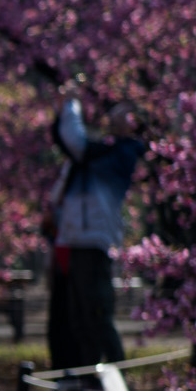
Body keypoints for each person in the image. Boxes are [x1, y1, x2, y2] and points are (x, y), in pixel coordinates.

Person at [44, 99, 145, 371]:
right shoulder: (99, 153)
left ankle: (115, 382)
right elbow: (67, 142)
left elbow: (77, 143)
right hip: (73, 241)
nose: (115, 118)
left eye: (125, 114)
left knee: (97, 315)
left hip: (94, 243)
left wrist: (71, 102)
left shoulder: (123, 152)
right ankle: (87, 379)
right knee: (77, 318)